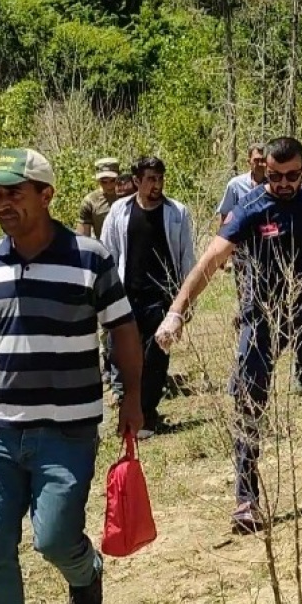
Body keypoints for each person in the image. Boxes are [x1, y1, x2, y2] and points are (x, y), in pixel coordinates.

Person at [0, 147, 143, 604]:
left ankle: (85, 572)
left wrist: (132, 397)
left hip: (67, 431)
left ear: (46, 195)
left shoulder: (90, 258)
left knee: (53, 538)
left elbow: (123, 328)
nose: (2, 203)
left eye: (14, 193)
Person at [155, 137, 302, 531]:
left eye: (292, 175)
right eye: (275, 175)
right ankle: (246, 499)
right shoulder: (249, 209)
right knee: (249, 402)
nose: (284, 183)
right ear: (265, 171)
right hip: (263, 316)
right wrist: (176, 312)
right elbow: (211, 260)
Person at [100, 156, 196, 438]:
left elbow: (186, 256)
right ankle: (129, 409)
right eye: (151, 179)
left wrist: (185, 302)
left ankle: (148, 415)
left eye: (160, 178)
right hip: (128, 296)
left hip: (162, 298)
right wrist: (106, 295)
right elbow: (109, 254)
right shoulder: (120, 211)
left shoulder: (177, 212)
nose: (157, 184)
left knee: (155, 357)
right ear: (137, 181)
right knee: (126, 356)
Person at [215, 142, 267, 224]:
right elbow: (225, 215)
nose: (260, 164)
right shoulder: (235, 185)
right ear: (249, 161)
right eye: (256, 160)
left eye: (263, 160)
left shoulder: (272, 186)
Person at [76, 157, 120, 238]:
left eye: (113, 180)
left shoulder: (129, 196)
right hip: (104, 249)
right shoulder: (90, 201)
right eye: (104, 182)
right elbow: (83, 239)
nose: (109, 185)